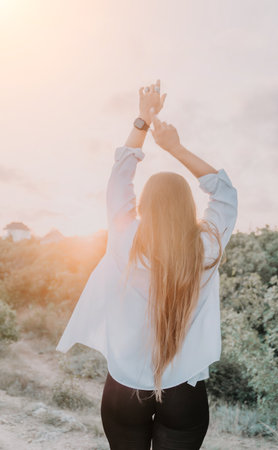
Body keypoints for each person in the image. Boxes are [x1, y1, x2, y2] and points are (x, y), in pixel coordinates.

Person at [56, 79, 238, 449]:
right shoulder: (207, 245)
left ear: (145, 207)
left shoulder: (125, 238)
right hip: (184, 387)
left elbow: (120, 175)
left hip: (125, 387)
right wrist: (175, 147)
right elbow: (224, 192)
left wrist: (142, 120)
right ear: (187, 206)